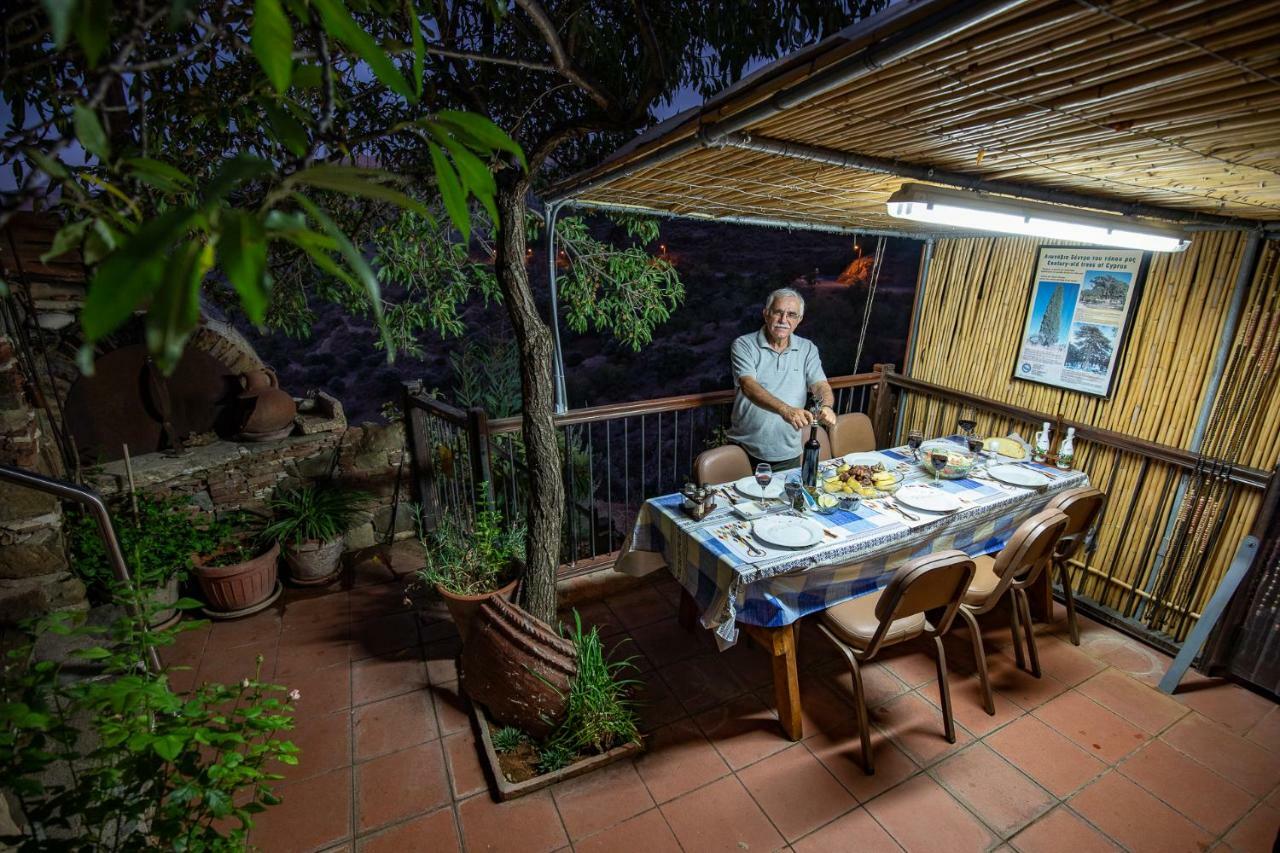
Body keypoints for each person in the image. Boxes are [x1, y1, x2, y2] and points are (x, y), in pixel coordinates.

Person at [728, 288, 836, 471]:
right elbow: (748, 385)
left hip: (787, 452)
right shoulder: (743, 344)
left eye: (791, 315)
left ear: (799, 320)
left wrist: (826, 406)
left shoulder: (807, 348)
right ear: (766, 314)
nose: (783, 320)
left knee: (783, 499)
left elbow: (819, 384)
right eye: (778, 312)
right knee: (738, 500)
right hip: (743, 448)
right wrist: (786, 410)